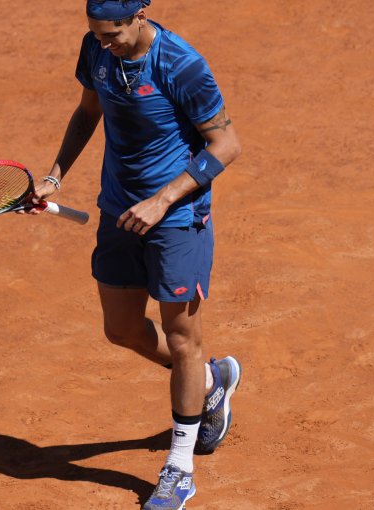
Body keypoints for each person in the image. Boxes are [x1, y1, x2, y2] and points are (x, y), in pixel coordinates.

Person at [28, 1, 243, 508]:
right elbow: (87, 113)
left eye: (114, 34)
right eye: (97, 35)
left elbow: (226, 143)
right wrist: (53, 176)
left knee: (181, 337)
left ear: (141, 14)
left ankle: (180, 466)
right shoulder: (97, 50)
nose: (106, 43)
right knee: (121, 329)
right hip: (118, 211)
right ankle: (213, 382)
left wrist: (163, 199)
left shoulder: (180, 63)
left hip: (177, 218)